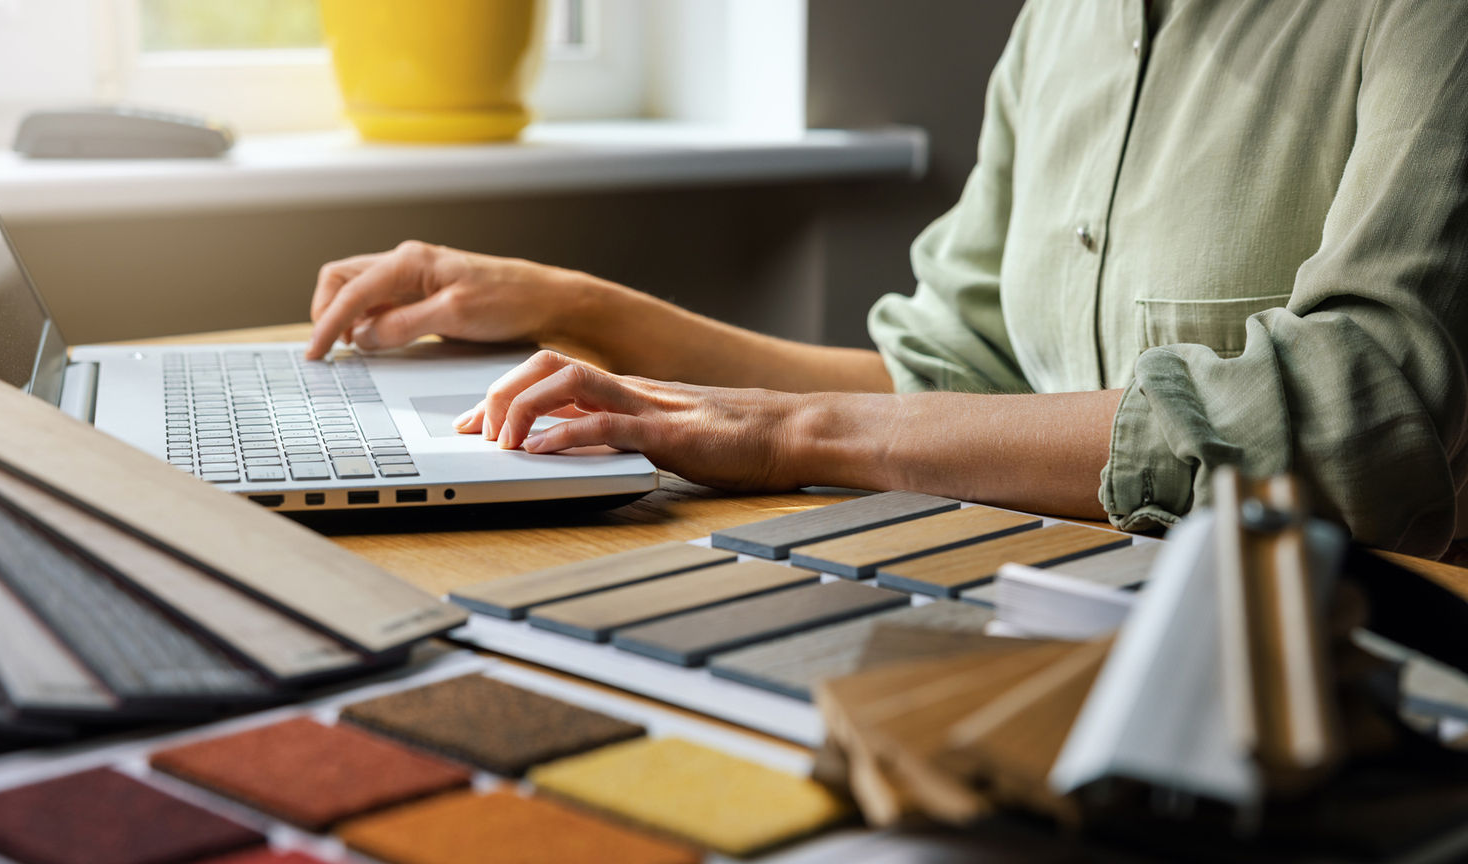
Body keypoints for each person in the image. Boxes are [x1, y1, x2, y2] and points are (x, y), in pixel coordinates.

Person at [306, 0, 1468, 559]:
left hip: (1347, 671)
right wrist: (581, 311)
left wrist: (797, 431)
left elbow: (1359, 421)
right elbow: (945, 375)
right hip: (1050, 602)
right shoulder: (1064, 22)